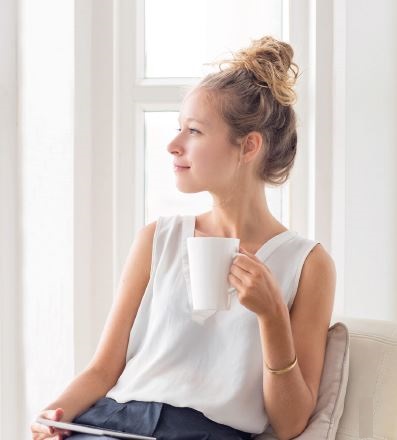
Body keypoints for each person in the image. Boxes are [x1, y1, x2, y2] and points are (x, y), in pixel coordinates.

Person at [31, 35, 336, 440]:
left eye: (193, 131)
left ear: (248, 146)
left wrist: (272, 316)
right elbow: (104, 368)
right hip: (110, 425)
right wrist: (52, 416)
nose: (173, 145)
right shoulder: (158, 238)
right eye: (179, 128)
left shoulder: (307, 263)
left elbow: (291, 423)